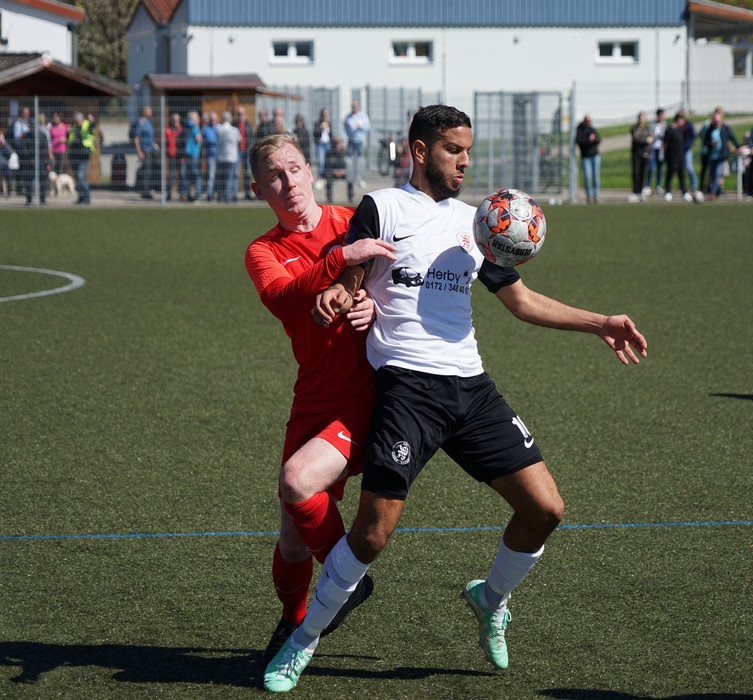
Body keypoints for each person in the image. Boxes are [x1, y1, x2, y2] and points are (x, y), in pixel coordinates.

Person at [263, 104, 647, 693]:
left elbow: (521, 301)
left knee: (546, 510)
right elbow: (351, 277)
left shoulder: (479, 223)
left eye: (468, 151)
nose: (465, 162)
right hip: (406, 389)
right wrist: (339, 295)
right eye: (453, 150)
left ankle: (490, 599)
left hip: (471, 388)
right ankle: (304, 639)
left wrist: (600, 323)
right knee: (371, 535)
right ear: (420, 151)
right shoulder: (382, 207)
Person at [245, 132, 396, 663]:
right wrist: (341, 259)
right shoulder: (263, 251)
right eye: (274, 176)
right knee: (291, 536)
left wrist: (375, 307)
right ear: (259, 190)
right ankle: (293, 621)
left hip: (366, 397)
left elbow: (399, 286)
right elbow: (286, 298)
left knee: (296, 482)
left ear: (310, 170)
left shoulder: (353, 220)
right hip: (311, 397)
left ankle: (344, 581)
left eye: (293, 168)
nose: (287, 182)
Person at [703, 110, 740, 200]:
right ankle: (716, 192)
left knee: (717, 174)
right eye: (715, 120)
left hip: (721, 156)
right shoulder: (710, 129)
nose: (717, 122)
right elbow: (705, 141)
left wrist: (739, 146)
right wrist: (711, 143)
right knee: (712, 175)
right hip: (712, 156)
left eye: (718, 120)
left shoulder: (725, 128)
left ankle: (713, 193)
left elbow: (732, 137)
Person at [23, 112, 52, 205]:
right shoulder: (26, 137)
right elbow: (24, 150)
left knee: (43, 180)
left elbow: (45, 149)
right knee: (29, 180)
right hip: (30, 162)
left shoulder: (42, 136)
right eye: (32, 126)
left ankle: (42, 198)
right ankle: (29, 199)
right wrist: (31, 158)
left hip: (41, 161)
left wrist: (42, 160)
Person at [67, 111, 95, 205]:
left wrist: (92, 122)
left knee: (81, 176)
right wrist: (68, 133)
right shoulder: (74, 128)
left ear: (81, 119)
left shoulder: (87, 125)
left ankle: (87, 198)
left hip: (83, 155)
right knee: (77, 178)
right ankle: (81, 197)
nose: (76, 122)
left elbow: (92, 128)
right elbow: (70, 140)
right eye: (75, 120)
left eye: (77, 120)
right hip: (74, 155)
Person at [575, 113, 602, 204]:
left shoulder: (592, 129)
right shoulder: (579, 129)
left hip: (595, 155)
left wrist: (596, 139)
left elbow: (598, 139)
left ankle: (596, 195)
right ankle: (588, 196)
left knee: (596, 176)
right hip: (586, 157)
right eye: (588, 121)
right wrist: (588, 140)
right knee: (587, 176)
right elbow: (579, 141)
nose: (589, 122)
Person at [661, 111, 688, 201]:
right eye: (681, 120)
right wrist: (665, 155)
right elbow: (665, 144)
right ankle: (668, 192)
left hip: (680, 156)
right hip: (672, 156)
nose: (683, 122)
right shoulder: (670, 130)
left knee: (682, 175)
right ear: (677, 120)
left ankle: (684, 192)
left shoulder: (680, 130)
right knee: (670, 174)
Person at [343, 100, 370, 188]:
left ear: (358, 106)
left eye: (355, 106)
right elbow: (344, 129)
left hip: (359, 142)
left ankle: (360, 179)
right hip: (351, 141)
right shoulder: (348, 117)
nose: (354, 108)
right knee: (349, 161)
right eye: (353, 106)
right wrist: (344, 140)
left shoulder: (363, 116)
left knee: (360, 161)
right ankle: (350, 179)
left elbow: (368, 126)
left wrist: (361, 127)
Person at [217, 110, 241, 203]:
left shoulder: (218, 129)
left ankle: (220, 196)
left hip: (221, 156)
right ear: (230, 119)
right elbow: (239, 141)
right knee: (229, 177)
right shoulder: (235, 130)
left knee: (221, 177)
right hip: (232, 156)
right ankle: (227, 196)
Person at [628, 111, 651, 203]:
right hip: (636, 153)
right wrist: (645, 140)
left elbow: (650, 138)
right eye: (640, 117)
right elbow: (637, 139)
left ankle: (640, 192)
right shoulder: (634, 128)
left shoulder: (647, 129)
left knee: (642, 172)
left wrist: (645, 139)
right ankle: (635, 191)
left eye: (643, 117)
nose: (641, 119)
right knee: (636, 172)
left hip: (644, 153)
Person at [133, 105, 155, 200]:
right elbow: (136, 138)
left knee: (148, 171)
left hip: (150, 149)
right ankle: (145, 191)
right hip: (144, 150)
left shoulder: (149, 122)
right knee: (145, 171)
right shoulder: (140, 122)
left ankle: (147, 189)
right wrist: (139, 151)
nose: (151, 112)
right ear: (144, 112)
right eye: (149, 110)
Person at [181, 111, 202, 202]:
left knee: (187, 175)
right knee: (197, 175)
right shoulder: (194, 127)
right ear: (193, 118)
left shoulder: (185, 126)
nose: (198, 119)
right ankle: (198, 194)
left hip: (187, 153)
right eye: (197, 117)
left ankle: (187, 193)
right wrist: (201, 139)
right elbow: (198, 139)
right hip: (194, 153)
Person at [323, 137, 351, 204]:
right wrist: (334, 171)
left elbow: (348, 164)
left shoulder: (345, 152)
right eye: (340, 143)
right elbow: (327, 165)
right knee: (328, 177)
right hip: (333, 172)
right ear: (336, 144)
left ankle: (350, 197)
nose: (342, 144)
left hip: (343, 172)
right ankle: (329, 198)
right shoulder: (330, 153)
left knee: (350, 176)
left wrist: (343, 171)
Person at [645, 107, 667, 195]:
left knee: (660, 168)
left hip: (661, 150)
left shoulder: (665, 125)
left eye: (663, 115)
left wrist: (658, 136)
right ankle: (648, 185)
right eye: (660, 115)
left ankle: (658, 185)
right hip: (652, 149)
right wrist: (653, 136)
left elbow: (665, 136)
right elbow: (649, 135)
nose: (662, 117)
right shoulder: (652, 125)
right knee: (651, 168)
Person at [164, 113, 183, 200]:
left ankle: (182, 193)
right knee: (171, 175)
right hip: (171, 155)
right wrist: (167, 151)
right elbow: (164, 142)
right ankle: (169, 193)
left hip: (180, 156)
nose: (175, 122)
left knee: (182, 174)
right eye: (174, 120)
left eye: (177, 120)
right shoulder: (167, 130)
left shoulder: (182, 130)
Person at [236, 107, 253, 200]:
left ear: (245, 114)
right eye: (239, 114)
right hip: (237, 151)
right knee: (236, 173)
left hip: (246, 151)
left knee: (247, 173)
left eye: (242, 114)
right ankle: (234, 193)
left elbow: (251, 138)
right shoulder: (235, 125)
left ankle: (247, 193)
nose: (240, 116)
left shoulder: (248, 125)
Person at [201, 111, 219, 202]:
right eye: (211, 119)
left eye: (214, 119)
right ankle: (209, 194)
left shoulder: (219, 128)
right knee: (211, 175)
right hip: (211, 155)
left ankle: (219, 193)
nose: (213, 121)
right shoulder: (205, 129)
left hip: (220, 156)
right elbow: (210, 140)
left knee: (219, 175)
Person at [313, 108, 333, 182]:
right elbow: (314, 133)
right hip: (320, 144)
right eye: (324, 115)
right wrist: (321, 128)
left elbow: (331, 134)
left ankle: (327, 176)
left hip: (328, 144)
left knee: (328, 161)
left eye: (326, 115)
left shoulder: (329, 123)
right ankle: (320, 177)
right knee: (321, 161)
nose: (325, 116)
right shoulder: (317, 123)